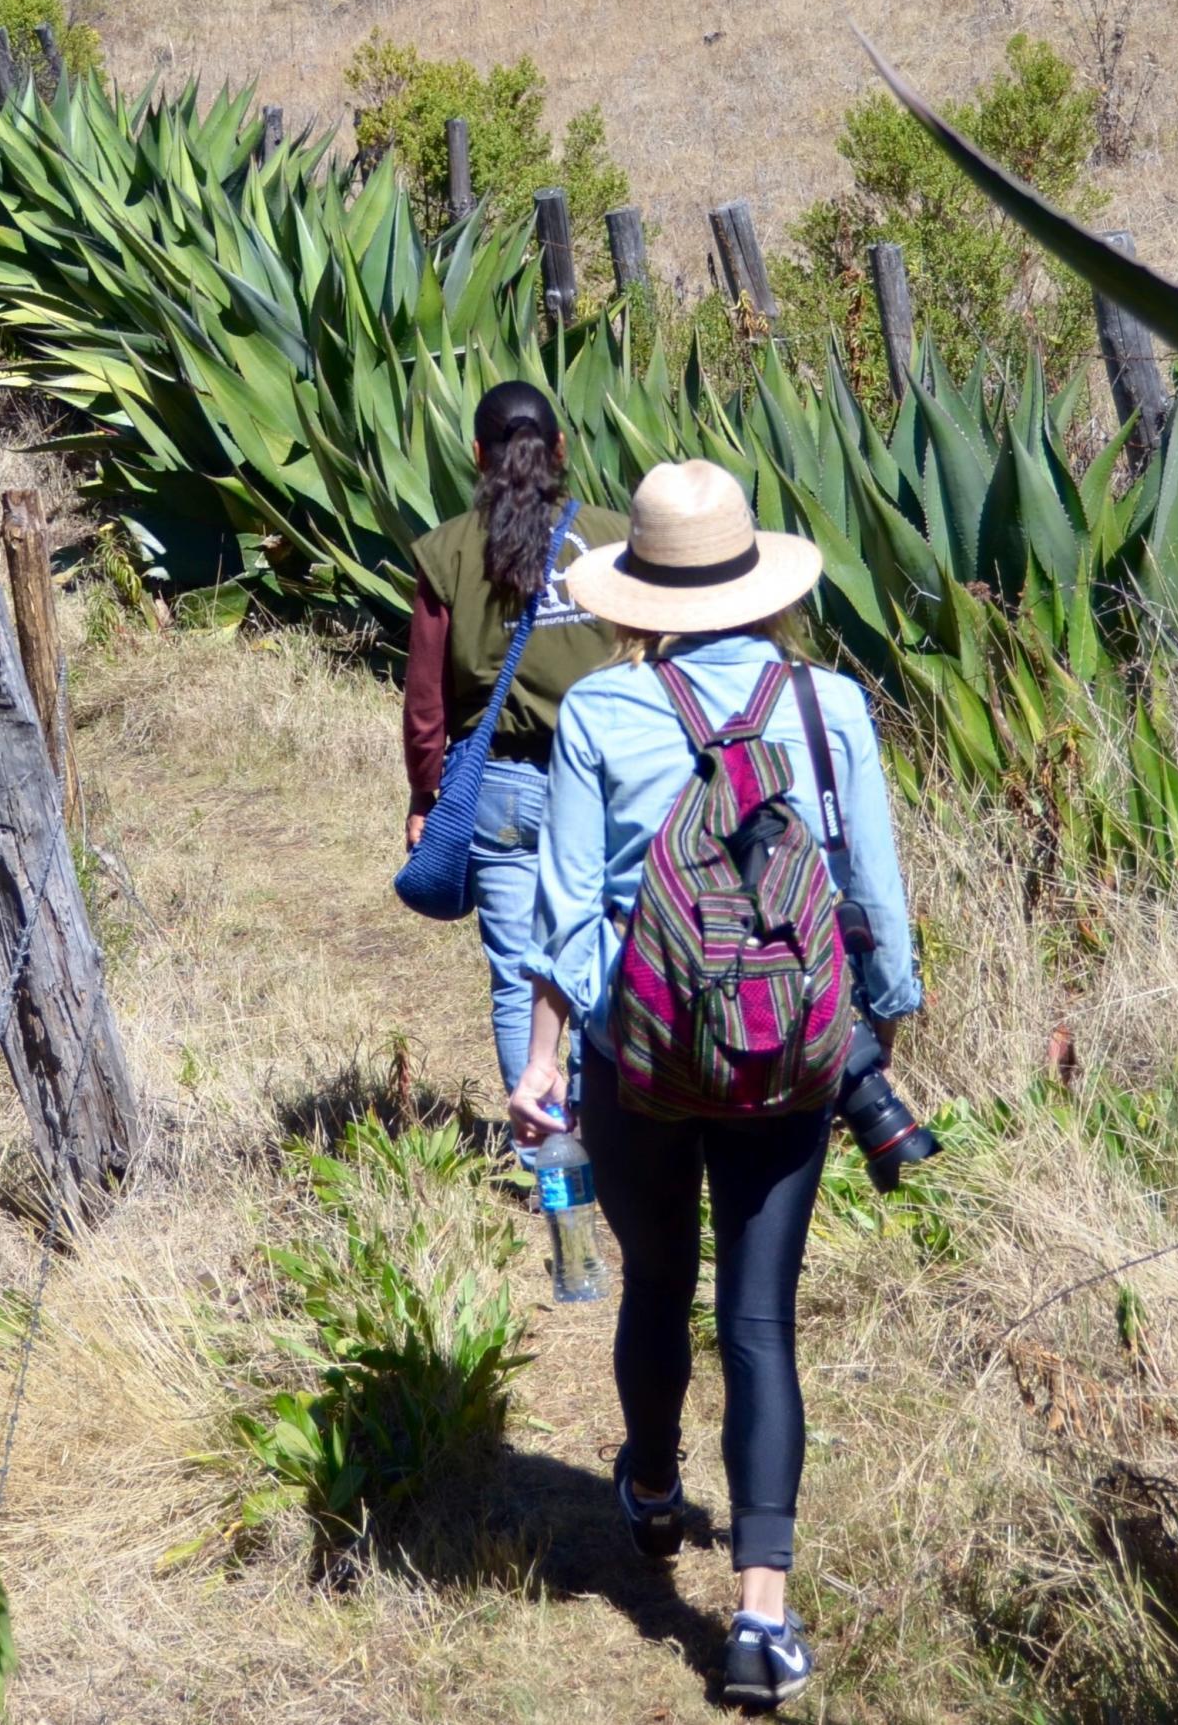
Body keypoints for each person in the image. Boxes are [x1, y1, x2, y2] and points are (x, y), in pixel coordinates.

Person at [507, 458, 922, 1711]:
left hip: (637, 1061)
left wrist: (540, 1066)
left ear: (636, 590)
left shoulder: (598, 713)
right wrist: (879, 1025)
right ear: (759, 579)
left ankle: (643, 1481)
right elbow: (876, 903)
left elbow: (567, 914)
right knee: (757, 1322)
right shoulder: (829, 702)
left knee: (654, 1283)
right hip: (787, 1060)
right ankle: (758, 1619)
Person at [403, 380, 627, 1114]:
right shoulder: (613, 538)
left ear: (476, 454)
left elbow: (427, 699)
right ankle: (602, 1140)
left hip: (499, 785)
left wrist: (424, 792)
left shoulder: (447, 552)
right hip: (602, 781)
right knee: (595, 956)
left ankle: (541, 1147)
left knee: (516, 975)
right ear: (561, 449)